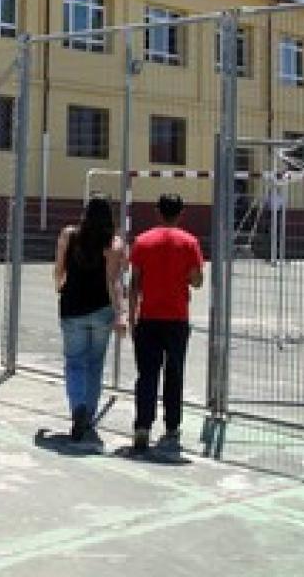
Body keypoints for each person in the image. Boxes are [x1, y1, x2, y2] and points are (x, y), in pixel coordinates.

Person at [127, 193, 206, 455]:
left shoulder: (142, 241)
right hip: (176, 318)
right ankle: (171, 425)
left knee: (147, 374)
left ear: (157, 212)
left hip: (148, 317)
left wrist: (131, 315)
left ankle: (142, 426)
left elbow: (134, 283)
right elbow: (196, 280)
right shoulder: (190, 242)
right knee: (174, 373)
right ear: (180, 213)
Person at [54, 196, 128, 446]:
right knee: (95, 364)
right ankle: (89, 415)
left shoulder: (69, 235)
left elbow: (59, 269)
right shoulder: (114, 244)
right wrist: (120, 313)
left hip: (72, 307)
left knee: (75, 362)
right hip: (101, 310)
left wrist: (58, 284)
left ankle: (78, 409)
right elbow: (114, 282)